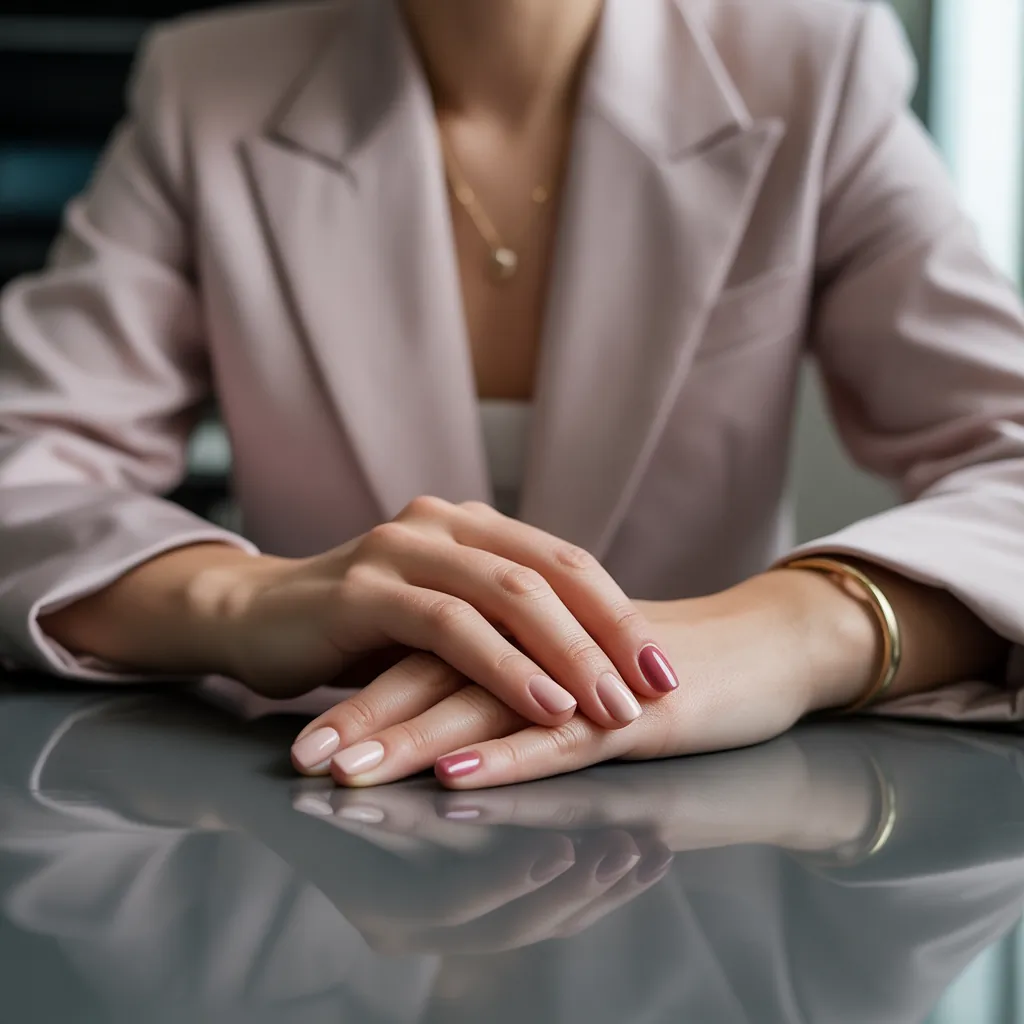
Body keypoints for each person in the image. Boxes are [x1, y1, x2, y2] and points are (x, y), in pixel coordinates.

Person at [0, 0, 1021, 790]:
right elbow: (23, 468)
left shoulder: (814, 63)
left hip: (712, 824)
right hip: (317, 809)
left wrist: (787, 635)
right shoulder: (205, 82)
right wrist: (239, 601)